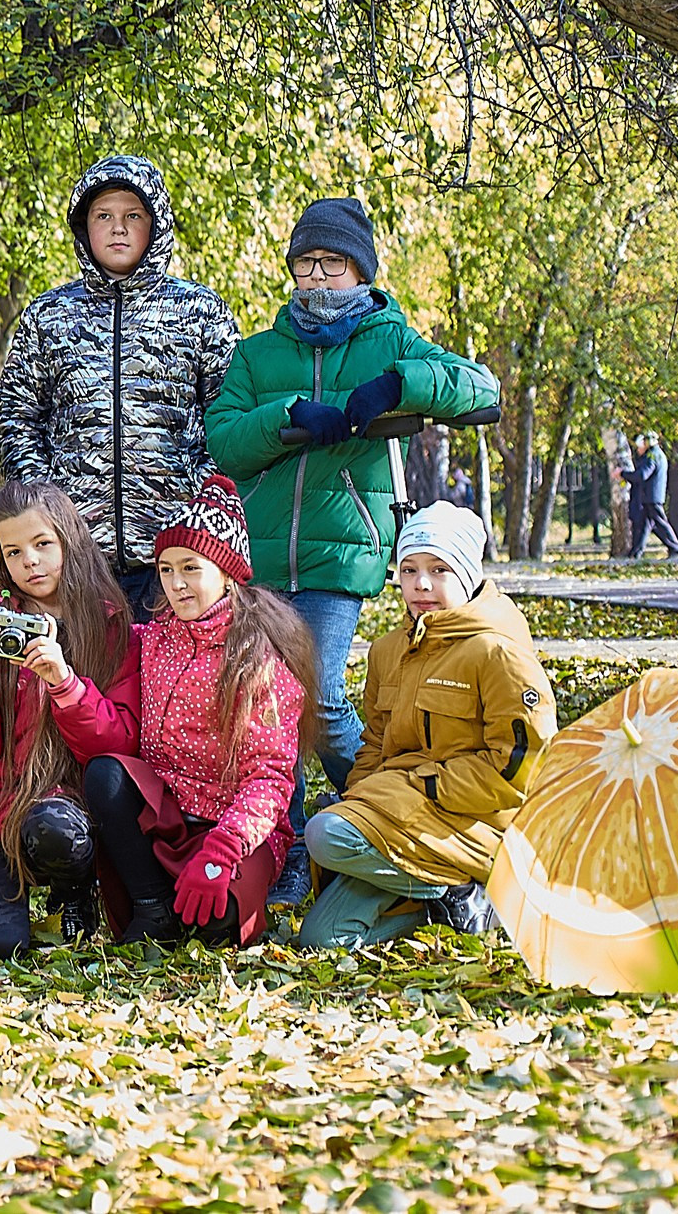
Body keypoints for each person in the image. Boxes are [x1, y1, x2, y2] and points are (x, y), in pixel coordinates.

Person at [206, 196, 499, 903]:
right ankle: (288, 848)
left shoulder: (390, 338)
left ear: (360, 271)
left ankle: (384, 809)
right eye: (305, 263)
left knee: (320, 694)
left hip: (342, 553)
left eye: (331, 263)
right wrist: (287, 416)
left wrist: (399, 383)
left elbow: (480, 387)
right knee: (265, 702)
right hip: (260, 556)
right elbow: (224, 438)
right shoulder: (259, 352)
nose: (316, 276)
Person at [0, 156, 241, 616]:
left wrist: (200, 496)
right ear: (84, 227)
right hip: (74, 557)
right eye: (103, 216)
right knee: (79, 665)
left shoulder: (200, 310)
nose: (118, 228)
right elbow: (16, 414)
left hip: (175, 555)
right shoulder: (49, 315)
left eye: (133, 216)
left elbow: (229, 417)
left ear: (156, 224)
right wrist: (44, 503)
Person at [299, 503, 555, 948]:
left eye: (439, 570)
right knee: (324, 939)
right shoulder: (387, 651)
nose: (420, 584)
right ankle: (457, 902)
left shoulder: (498, 652)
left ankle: (480, 882)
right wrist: (362, 797)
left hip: (477, 824)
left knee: (325, 835)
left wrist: (422, 784)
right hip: (405, 814)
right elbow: (375, 743)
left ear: (468, 575)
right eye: (409, 569)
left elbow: (521, 768)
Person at [81, 477, 318, 947]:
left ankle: (207, 890)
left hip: (231, 830)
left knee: (219, 920)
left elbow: (271, 778)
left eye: (191, 567)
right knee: (105, 774)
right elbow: (93, 632)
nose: (176, 584)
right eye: (166, 569)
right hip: (165, 818)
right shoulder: (152, 638)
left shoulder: (258, 657)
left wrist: (223, 850)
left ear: (227, 572)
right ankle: (152, 906)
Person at [0, 479, 139, 955]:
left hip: (63, 802)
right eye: (13, 552)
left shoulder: (108, 624)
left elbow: (118, 744)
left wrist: (65, 684)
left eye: (43, 543)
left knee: (58, 832)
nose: (29, 560)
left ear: (70, 540)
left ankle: (73, 889)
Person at [623, 432, 678, 561]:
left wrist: (623, 474)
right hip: (650, 497)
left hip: (652, 497)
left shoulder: (652, 456)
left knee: (661, 523)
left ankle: (676, 549)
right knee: (644, 526)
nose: (639, 450)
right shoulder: (657, 454)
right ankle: (635, 554)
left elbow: (642, 475)